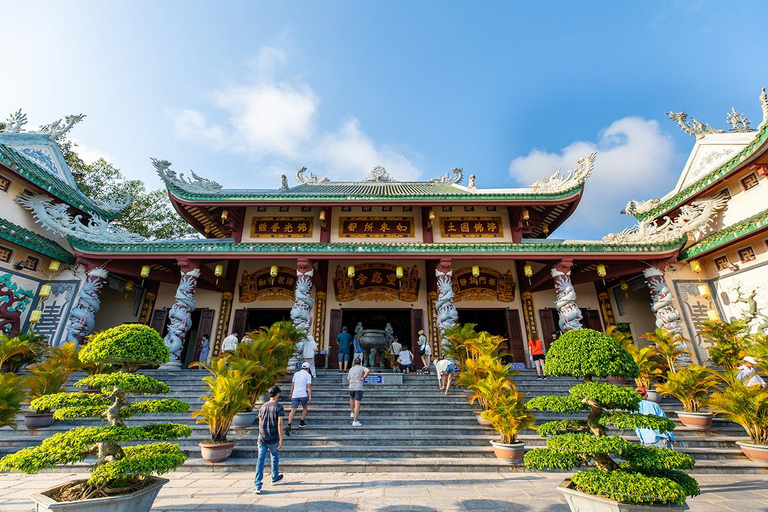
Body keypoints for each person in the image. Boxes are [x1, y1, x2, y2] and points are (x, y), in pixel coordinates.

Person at [253, 385, 285, 494]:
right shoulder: (279, 407)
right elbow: (280, 423)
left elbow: (260, 422)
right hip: (273, 436)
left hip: (262, 437)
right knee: (274, 456)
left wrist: (261, 433)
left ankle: (257, 485)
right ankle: (274, 477)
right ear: (276, 394)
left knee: (260, 460)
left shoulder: (263, 407)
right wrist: (281, 438)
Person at [285, 362, 312, 435]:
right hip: (303, 394)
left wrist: (291, 393)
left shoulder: (296, 374)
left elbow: (292, 384)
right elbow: (309, 386)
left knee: (293, 410)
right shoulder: (308, 375)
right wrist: (310, 397)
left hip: (295, 394)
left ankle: (289, 424)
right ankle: (301, 421)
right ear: (308, 368)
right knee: (305, 407)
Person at [347, 357, 370, 426]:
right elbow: (368, 370)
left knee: (351, 398)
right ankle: (355, 421)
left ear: (354, 363)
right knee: (357, 404)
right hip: (358, 387)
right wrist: (363, 377)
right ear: (360, 363)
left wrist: (350, 384)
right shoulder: (362, 368)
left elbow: (348, 379)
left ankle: (352, 412)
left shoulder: (351, 369)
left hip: (351, 386)